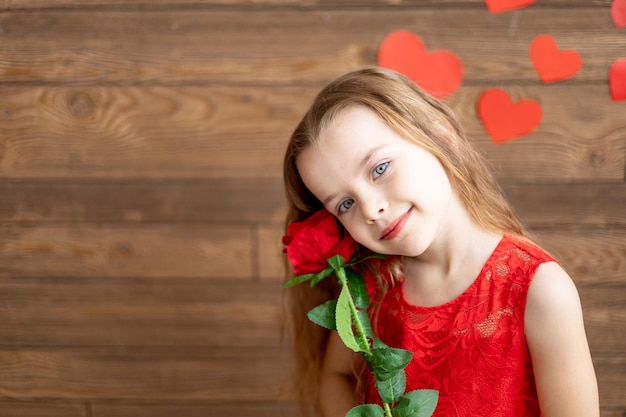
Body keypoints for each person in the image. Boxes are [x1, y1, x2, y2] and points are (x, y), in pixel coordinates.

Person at [282, 66, 599, 417]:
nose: (371, 209)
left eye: (380, 168)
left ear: (440, 136)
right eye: (345, 204)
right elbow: (336, 377)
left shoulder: (540, 290)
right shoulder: (374, 282)